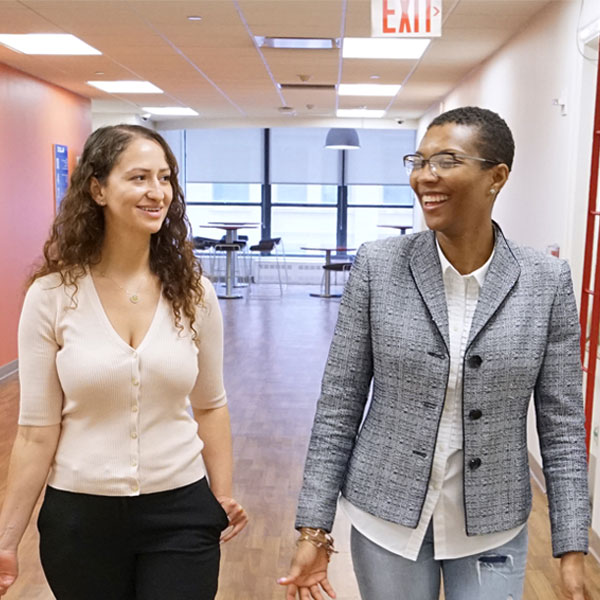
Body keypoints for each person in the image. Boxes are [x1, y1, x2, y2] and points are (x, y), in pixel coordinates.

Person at [279, 107, 590, 600]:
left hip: (492, 522)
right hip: (386, 513)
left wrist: (572, 548)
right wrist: (313, 529)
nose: (425, 176)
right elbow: (339, 402)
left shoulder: (544, 281)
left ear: (497, 176)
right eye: (419, 161)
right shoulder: (380, 266)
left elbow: (563, 426)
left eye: (446, 161)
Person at [0, 124, 247, 599]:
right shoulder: (51, 296)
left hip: (182, 512)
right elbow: (35, 430)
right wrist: (7, 540)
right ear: (97, 189)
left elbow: (211, 405)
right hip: (80, 517)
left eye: (165, 178)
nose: (157, 192)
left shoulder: (194, 293)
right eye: (139, 178)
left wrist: (223, 494)